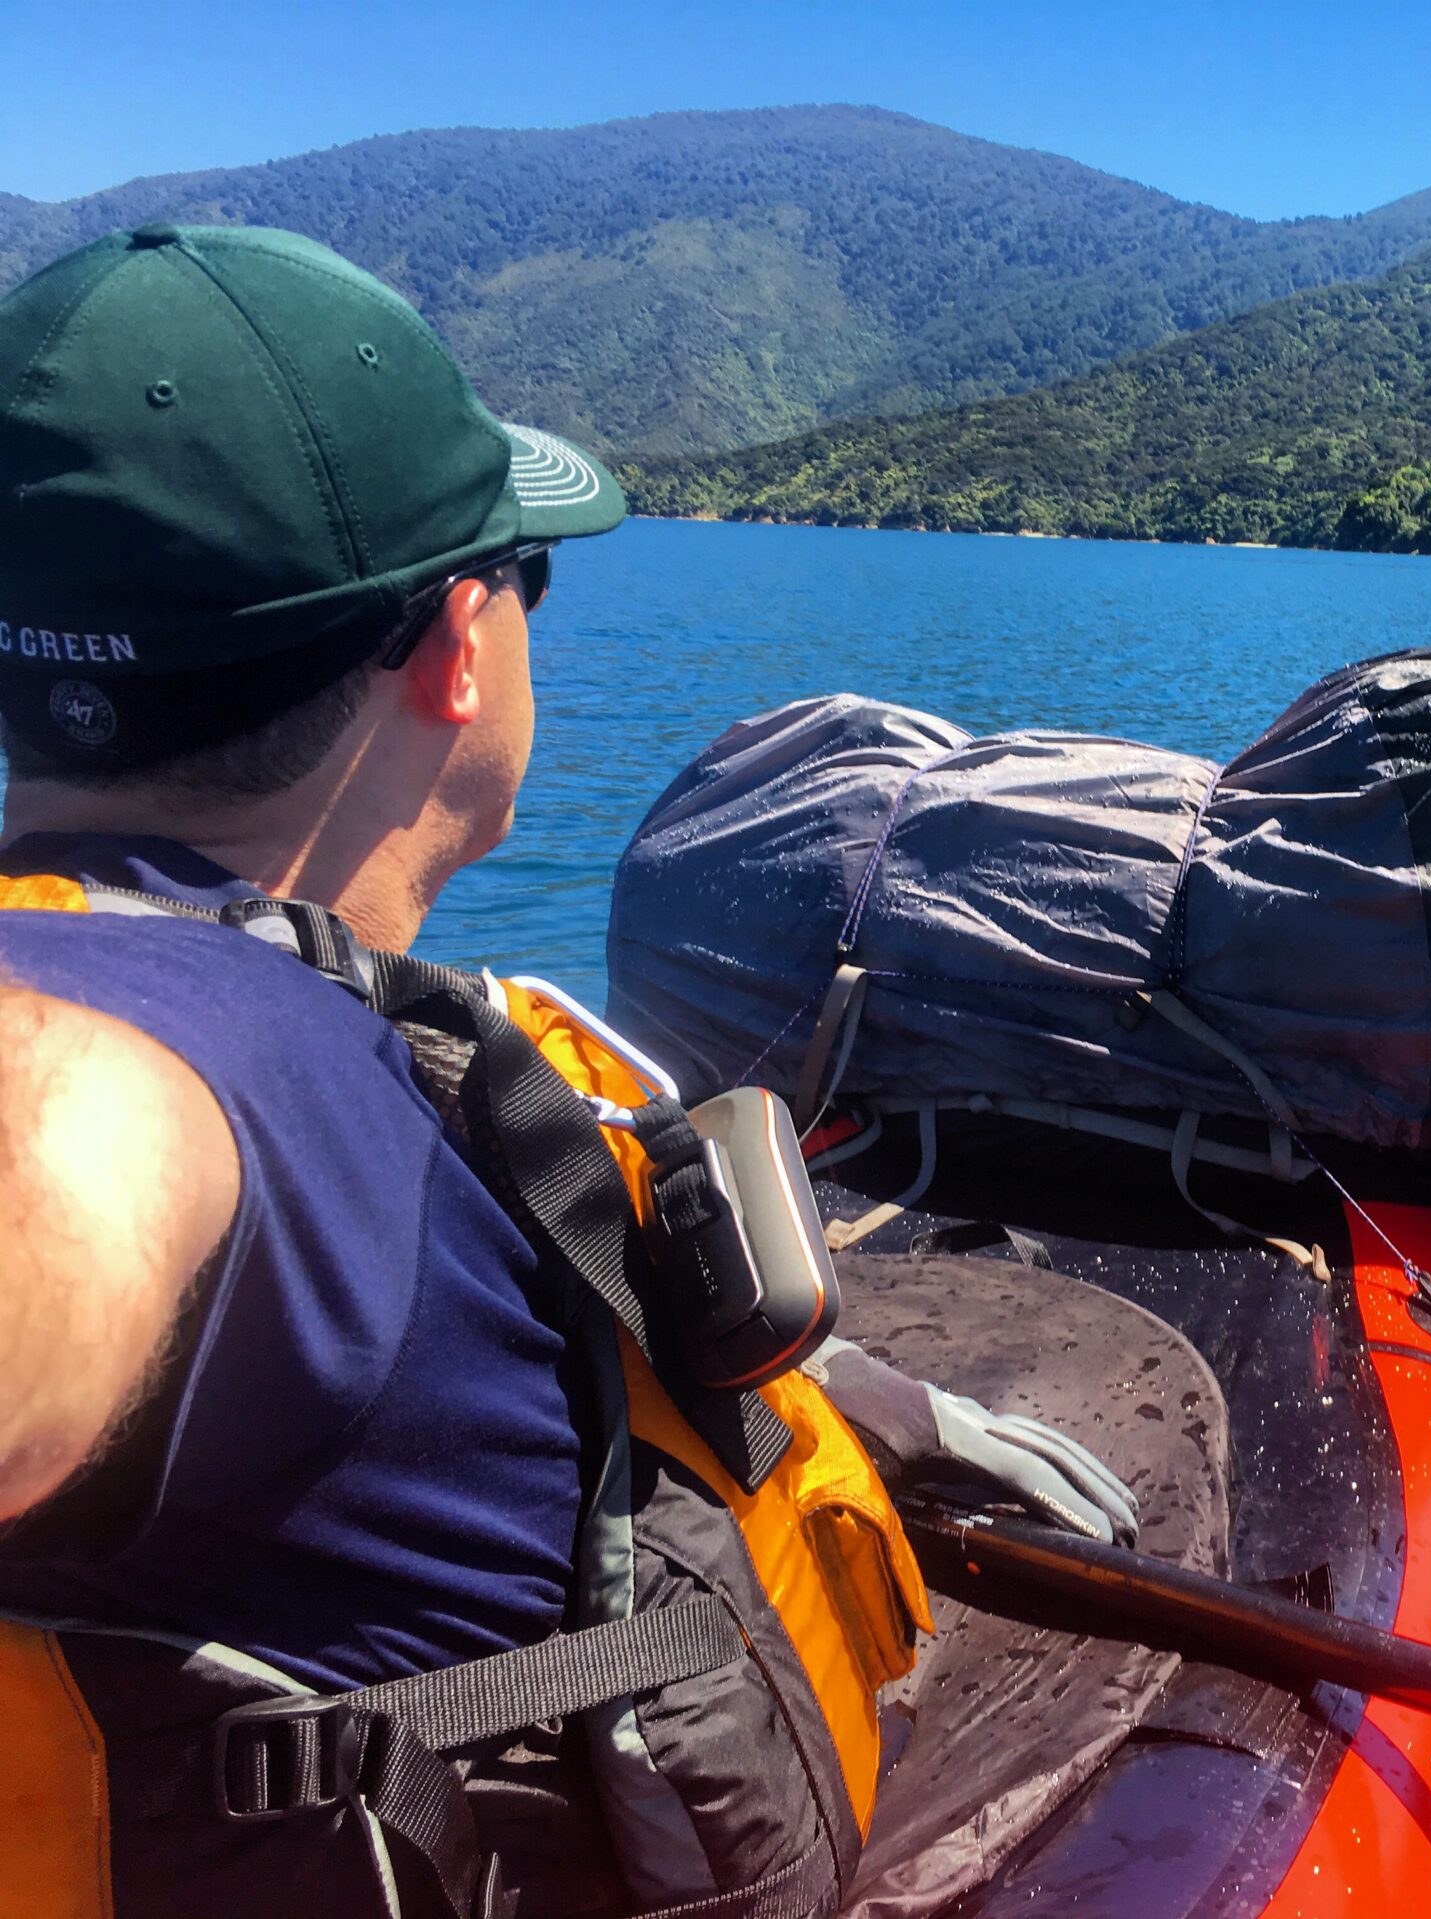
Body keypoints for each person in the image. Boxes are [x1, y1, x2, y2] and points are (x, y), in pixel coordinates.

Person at [0, 224, 1130, 1919]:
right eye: (533, 573)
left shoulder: (235, 991)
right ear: (463, 643)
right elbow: (73, 1162)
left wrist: (839, 1407)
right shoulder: (223, 1056)